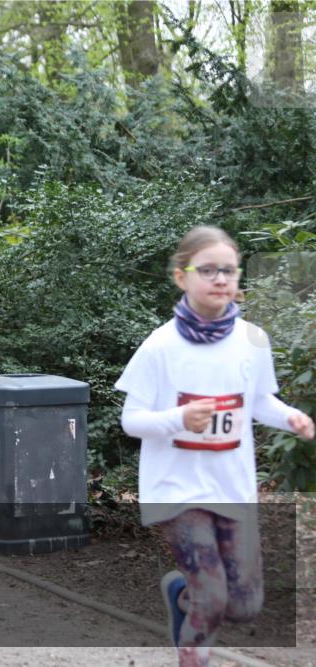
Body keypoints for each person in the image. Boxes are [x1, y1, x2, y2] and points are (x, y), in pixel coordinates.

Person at [115, 226, 314, 667]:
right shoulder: (159, 347)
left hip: (232, 487)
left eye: (228, 270)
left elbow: (260, 400)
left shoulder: (252, 340)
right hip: (177, 490)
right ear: (181, 277)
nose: (220, 279)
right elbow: (131, 420)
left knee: (244, 606)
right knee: (212, 596)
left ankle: (178, 593)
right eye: (207, 270)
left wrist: (292, 418)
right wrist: (178, 419)